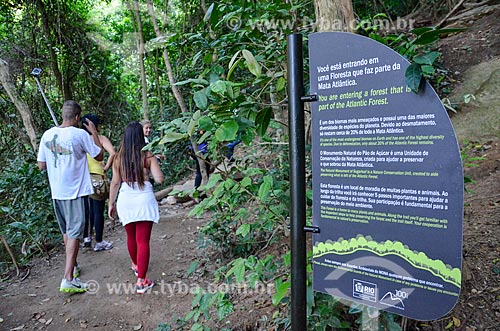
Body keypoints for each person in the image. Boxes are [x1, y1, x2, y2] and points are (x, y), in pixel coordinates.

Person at [37, 100, 103, 293]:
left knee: (67, 232)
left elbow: (41, 164)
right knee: (74, 233)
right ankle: (68, 278)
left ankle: (73, 267)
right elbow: (98, 156)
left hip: (57, 192)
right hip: (75, 191)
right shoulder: (80, 134)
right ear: (77, 117)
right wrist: (94, 132)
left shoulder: (47, 135)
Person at [108, 121, 164, 294]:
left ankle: (136, 265)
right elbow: (160, 179)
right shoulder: (148, 156)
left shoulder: (118, 157)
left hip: (125, 198)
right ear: (141, 136)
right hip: (143, 198)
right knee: (143, 241)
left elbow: (115, 182)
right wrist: (155, 167)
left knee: (131, 236)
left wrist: (111, 203)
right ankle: (142, 281)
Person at [81, 114, 116, 251]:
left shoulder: (80, 139)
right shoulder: (100, 139)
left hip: (83, 178)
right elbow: (112, 153)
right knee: (98, 210)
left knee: (87, 210)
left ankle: (86, 237)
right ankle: (99, 241)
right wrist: (106, 167)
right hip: (97, 177)